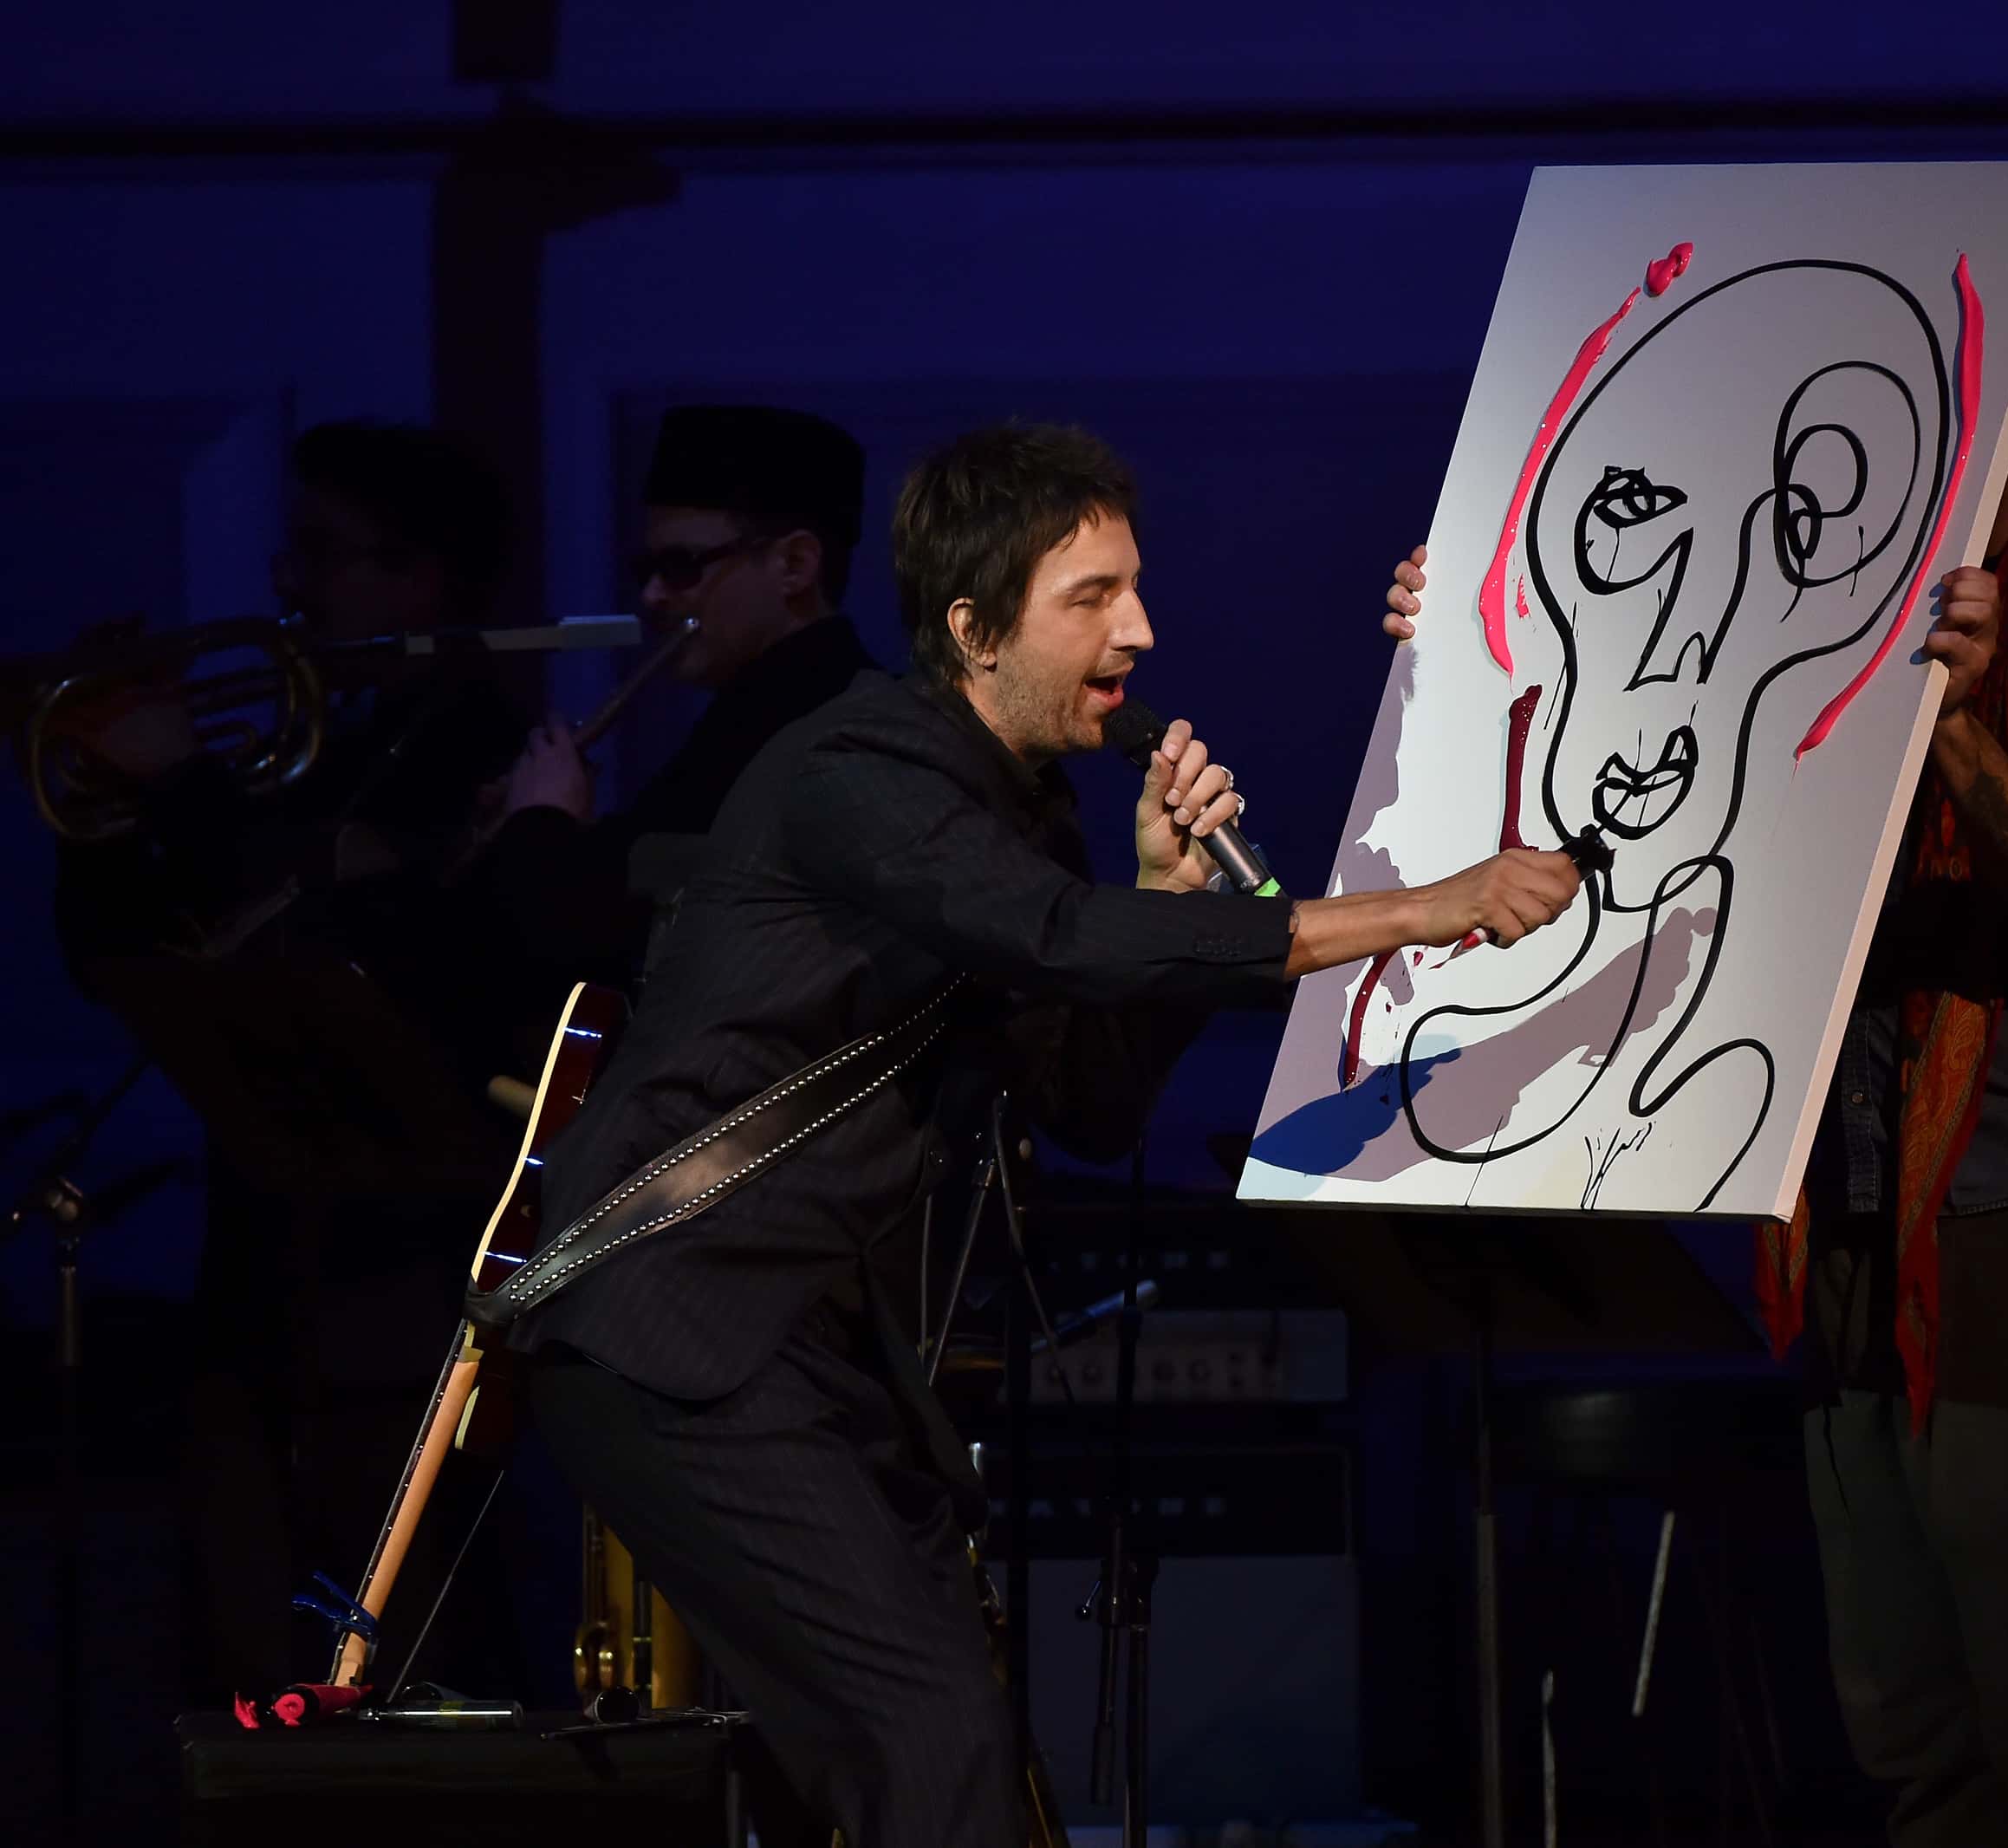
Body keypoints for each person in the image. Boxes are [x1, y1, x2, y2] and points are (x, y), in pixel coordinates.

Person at [504, 422, 1583, 1845]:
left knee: (932, 1742)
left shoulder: (1020, 808)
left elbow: (1087, 1101)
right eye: (1092, 597)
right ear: (971, 624)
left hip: (797, 1342)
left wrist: (1158, 878)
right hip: (677, 1323)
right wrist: (1420, 905)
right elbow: (1063, 941)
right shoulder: (861, 769)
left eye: (1133, 587)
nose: (1139, 626)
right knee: (928, 1726)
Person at [1387, 334, 2008, 1846]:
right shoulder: (1828, 599)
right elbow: (1635, 796)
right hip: (1841, 1199)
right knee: (1909, 1730)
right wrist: (1476, 648)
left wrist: (1954, 721)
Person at [50, 420, 531, 1700]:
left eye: (324, 553)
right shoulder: (336, 738)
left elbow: (320, 931)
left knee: (400, 1641)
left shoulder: (478, 745)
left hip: (406, 1272)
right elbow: (157, 949)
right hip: (270, 1257)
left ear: (421, 579)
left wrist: (179, 785)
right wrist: (101, 814)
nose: (288, 585)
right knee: (246, 1629)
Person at [472, 404, 875, 1009]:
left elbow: (593, 937)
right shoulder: (774, 707)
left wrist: (541, 825)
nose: (652, 595)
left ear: (794, 565)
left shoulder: (810, 726)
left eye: (682, 567)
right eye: (648, 568)